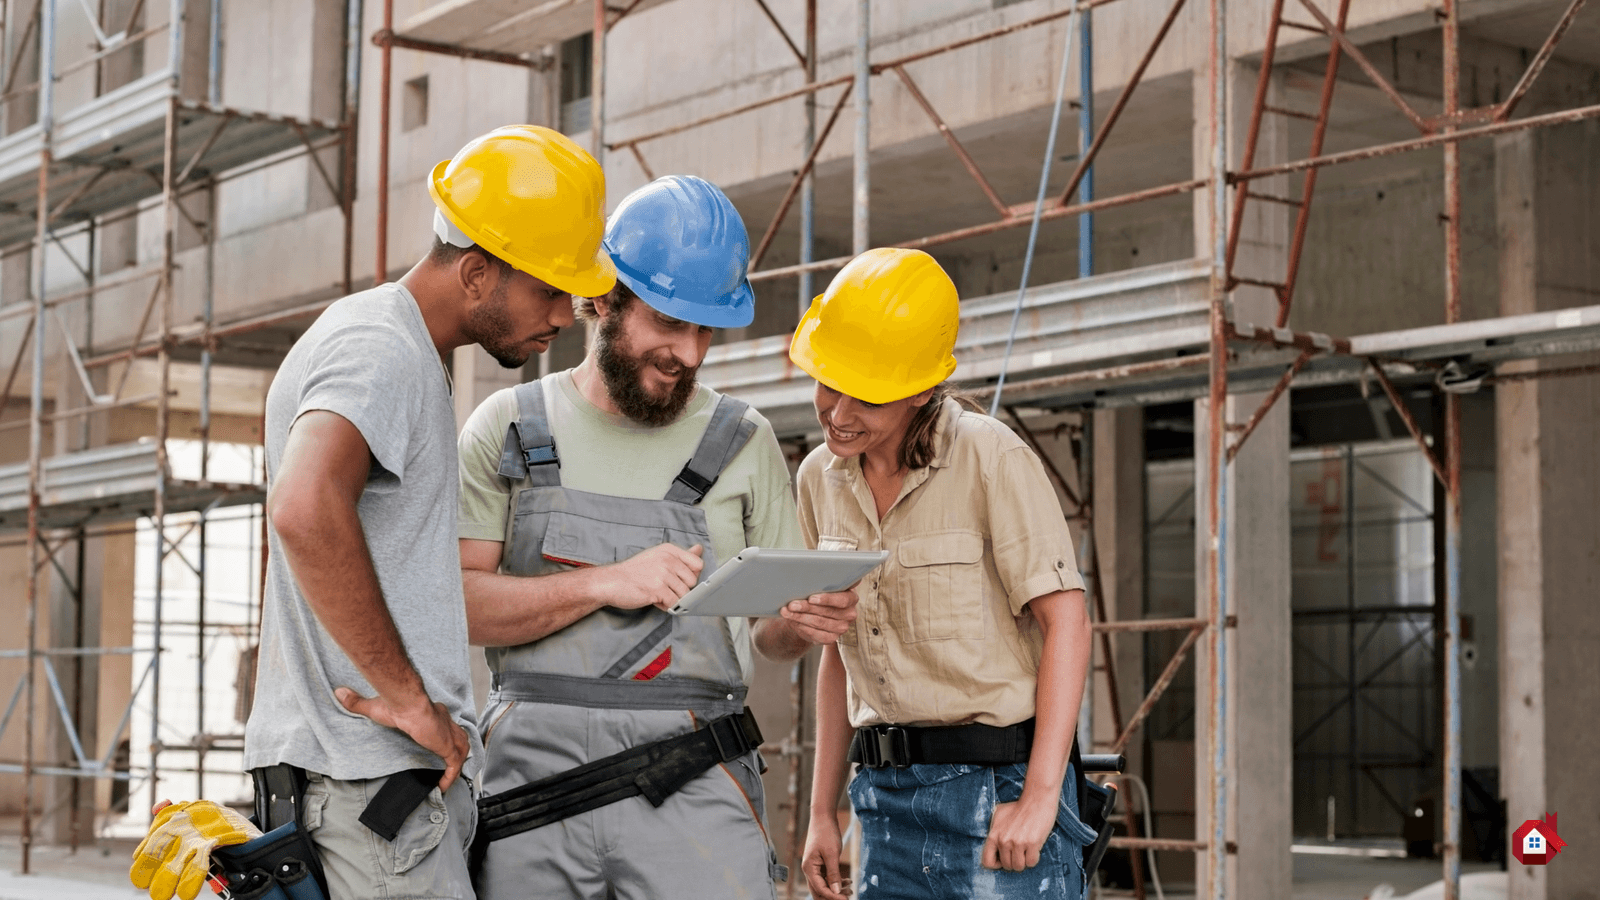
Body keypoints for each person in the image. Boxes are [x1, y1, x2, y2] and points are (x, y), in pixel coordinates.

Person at [457, 175, 857, 900]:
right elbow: (457, 605)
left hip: (694, 778)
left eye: (705, 330)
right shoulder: (508, 428)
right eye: (670, 324)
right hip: (533, 791)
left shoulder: (743, 440)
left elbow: (769, 637)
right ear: (604, 300)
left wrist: (800, 626)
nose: (691, 353)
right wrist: (605, 582)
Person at [245, 124, 614, 900]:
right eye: (550, 288)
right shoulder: (381, 349)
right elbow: (305, 507)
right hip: (373, 794)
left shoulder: (389, 342)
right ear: (477, 272)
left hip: (356, 792)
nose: (566, 314)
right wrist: (412, 698)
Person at [791, 248, 1099, 900]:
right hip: (879, 799)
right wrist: (823, 811)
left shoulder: (990, 457)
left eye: (865, 395)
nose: (837, 413)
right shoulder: (819, 479)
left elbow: (1066, 621)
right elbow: (842, 654)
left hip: (996, 791)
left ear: (921, 390)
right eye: (827, 383)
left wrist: (1042, 798)